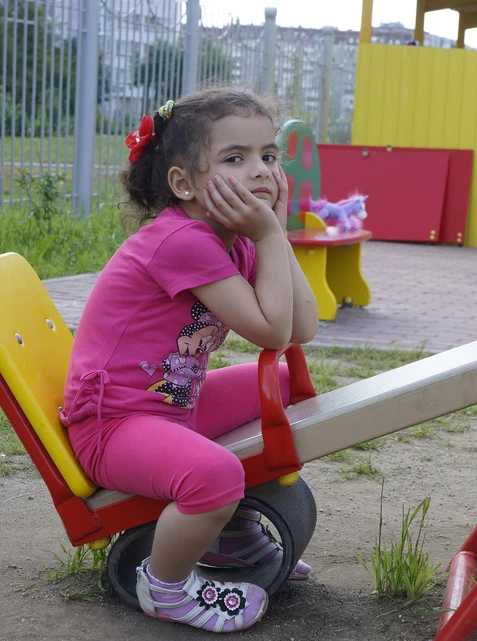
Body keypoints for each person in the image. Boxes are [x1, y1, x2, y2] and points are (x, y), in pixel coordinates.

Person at [60, 86, 319, 633]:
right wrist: (270, 232)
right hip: (112, 425)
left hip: (172, 406)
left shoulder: (239, 241)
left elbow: (301, 330)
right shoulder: (180, 240)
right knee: (216, 471)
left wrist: (274, 235)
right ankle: (166, 588)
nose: (261, 172)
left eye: (269, 156)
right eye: (235, 158)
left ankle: (227, 537)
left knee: (283, 386)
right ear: (183, 183)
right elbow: (271, 329)